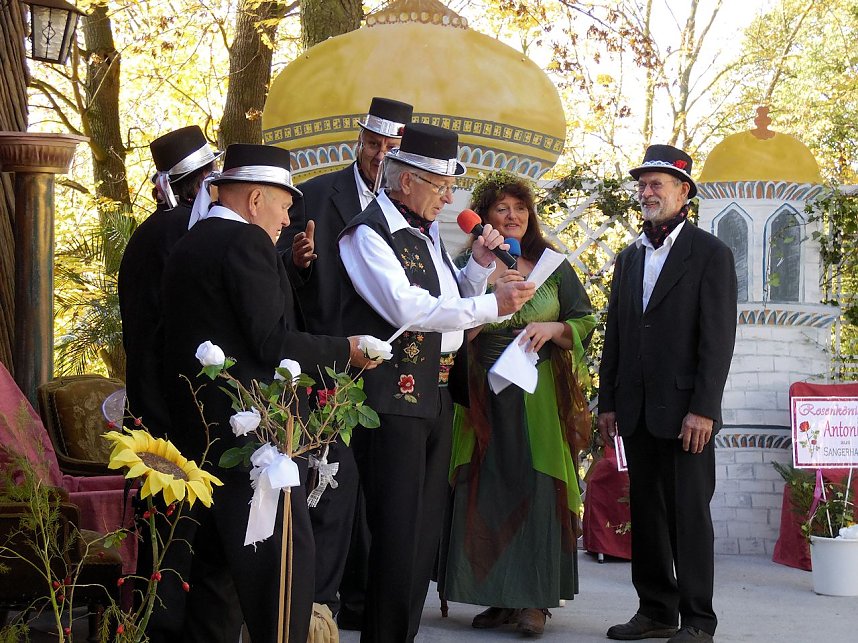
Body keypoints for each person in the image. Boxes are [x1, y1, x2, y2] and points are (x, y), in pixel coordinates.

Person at [159, 143, 378, 643]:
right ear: (256, 199)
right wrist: (346, 350)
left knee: (215, 581)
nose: (286, 220)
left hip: (202, 437)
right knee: (281, 577)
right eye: (283, 206)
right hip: (254, 445)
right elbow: (270, 341)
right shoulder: (246, 242)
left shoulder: (191, 242)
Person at [338, 123, 537, 642]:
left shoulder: (425, 233)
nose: (450, 198)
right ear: (407, 181)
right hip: (390, 399)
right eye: (442, 185)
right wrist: (492, 304)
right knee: (395, 534)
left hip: (434, 394)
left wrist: (479, 267)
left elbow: (449, 301)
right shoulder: (368, 235)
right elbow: (409, 309)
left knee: (422, 536)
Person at [276, 97, 413, 628]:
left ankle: (365, 599)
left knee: (382, 490)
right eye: (372, 144)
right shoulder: (315, 196)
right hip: (330, 360)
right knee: (330, 482)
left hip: (393, 367)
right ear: (359, 141)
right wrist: (298, 263)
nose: (379, 155)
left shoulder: (411, 207)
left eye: (390, 148)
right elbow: (277, 274)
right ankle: (321, 601)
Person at [442, 170, 596, 636]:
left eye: (520, 208)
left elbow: (585, 320)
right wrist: (489, 297)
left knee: (537, 485)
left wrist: (553, 329)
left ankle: (535, 601)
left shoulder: (553, 266)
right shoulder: (467, 266)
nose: (512, 216)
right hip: (482, 394)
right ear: (484, 217)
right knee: (486, 486)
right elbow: (447, 326)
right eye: (501, 209)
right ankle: (498, 596)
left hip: (538, 394)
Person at [597, 145, 737, 643]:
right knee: (648, 514)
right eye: (643, 184)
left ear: (684, 192)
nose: (647, 192)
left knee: (689, 516)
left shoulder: (711, 254)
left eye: (657, 183)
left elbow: (717, 340)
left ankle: (698, 619)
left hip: (685, 414)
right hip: (636, 409)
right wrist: (607, 401)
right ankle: (656, 610)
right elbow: (617, 334)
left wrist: (704, 410)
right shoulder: (629, 256)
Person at [117, 126, 220, 643]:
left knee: (163, 542)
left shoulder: (153, 234)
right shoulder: (180, 233)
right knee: (175, 544)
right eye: (211, 179)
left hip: (150, 409)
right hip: (172, 414)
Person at [119, 125, 220, 437]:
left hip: (146, 388)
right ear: (203, 181)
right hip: (175, 395)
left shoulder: (149, 230)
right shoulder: (187, 229)